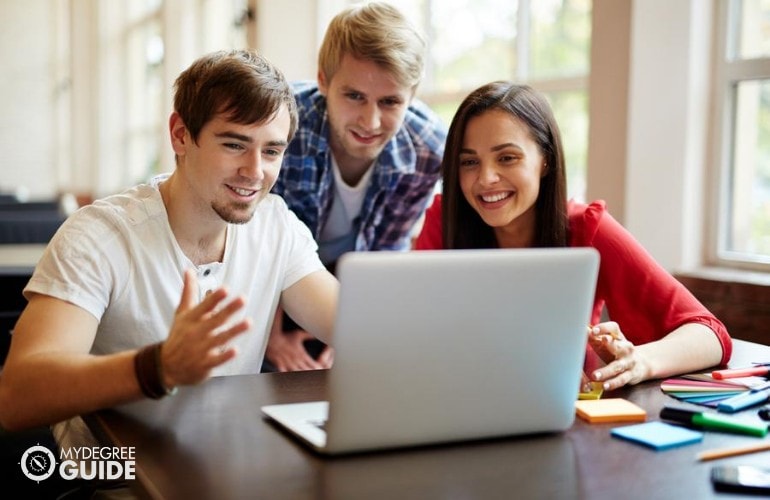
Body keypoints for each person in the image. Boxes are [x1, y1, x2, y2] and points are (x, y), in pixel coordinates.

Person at [0, 49, 339, 448]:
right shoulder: (98, 236)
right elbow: (17, 398)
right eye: (234, 145)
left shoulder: (275, 224)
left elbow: (356, 328)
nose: (255, 171)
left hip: (226, 465)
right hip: (115, 480)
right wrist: (158, 367)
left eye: (272, 151)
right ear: (180, 135)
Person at [415, 81, 732, 391]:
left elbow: (710, 335)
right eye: (469, 162)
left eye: (507, 157)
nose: (486, 178)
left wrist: (640, 360)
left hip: (561, 415)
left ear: (545, 161)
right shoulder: (444, 220)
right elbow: (413, 334)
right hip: (459, 400)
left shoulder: (587, 228)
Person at [265, 1, 447, 372]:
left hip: (353, 290)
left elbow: (385, 257)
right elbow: (250, 240)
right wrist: (270, 337)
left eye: (390, 101)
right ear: (324, 81)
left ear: (411, 96)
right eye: (354, 96)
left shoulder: (429, 150)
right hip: (267, 290)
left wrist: (354, 334)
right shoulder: (279, 127)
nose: (371, 120)